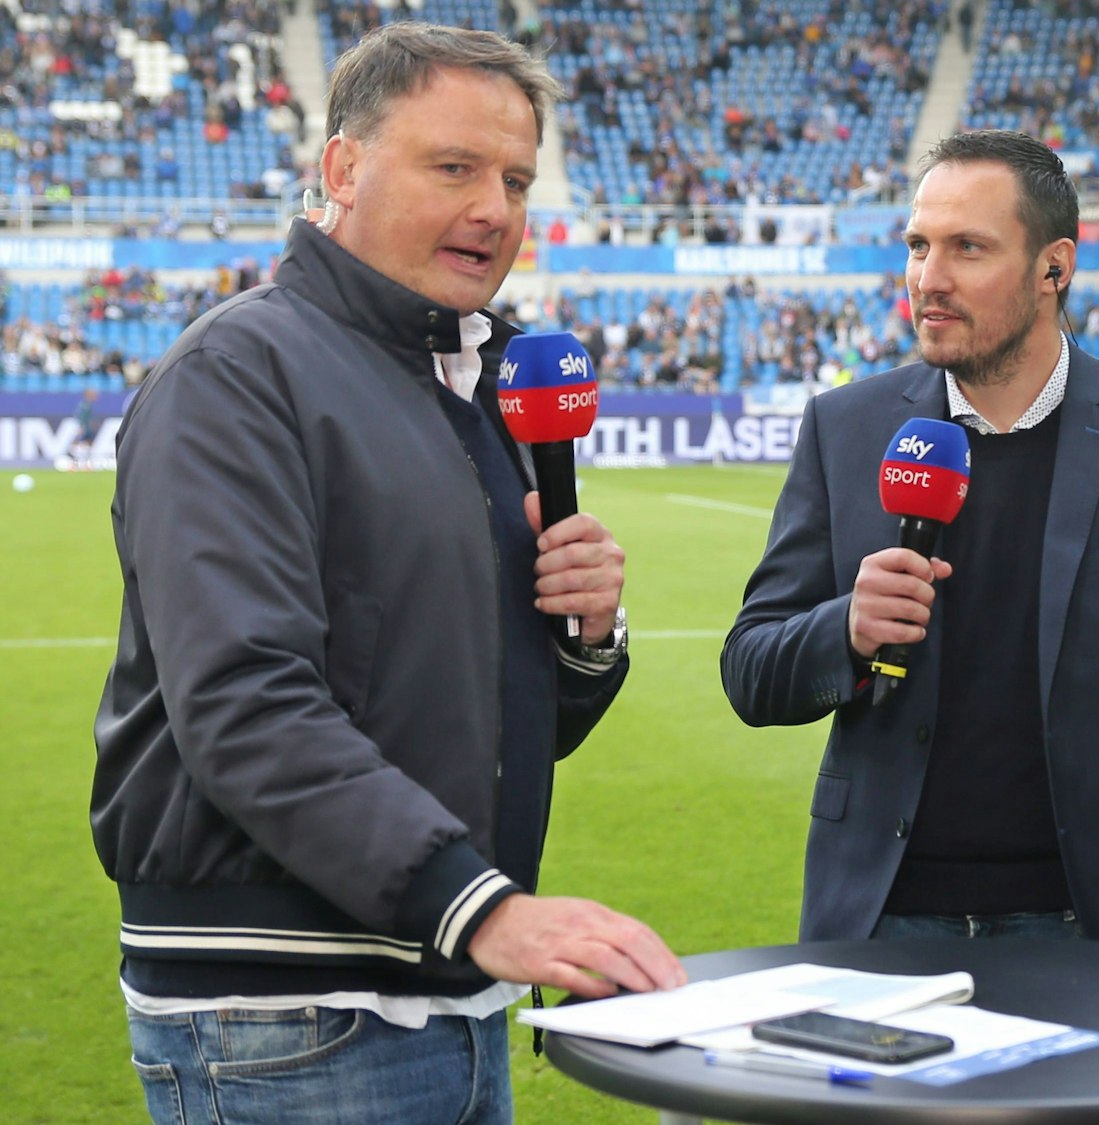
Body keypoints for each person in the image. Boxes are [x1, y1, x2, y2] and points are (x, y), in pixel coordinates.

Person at [92, 25, 684, 1125]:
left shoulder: (477, 381)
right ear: (343, 167)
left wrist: (584, 636)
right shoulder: (235, 374)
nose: (494, 209)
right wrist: (479, 906)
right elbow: (244, 702)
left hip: (443, 985)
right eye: (453, 167)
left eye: (515, 180)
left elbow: (488, 721)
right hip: (286, 1016)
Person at [721, 129, 1099, 955]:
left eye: (968, 248)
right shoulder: (846, 429)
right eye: (918, 245)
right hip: (881, 927)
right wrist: (846, 628)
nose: (928, 277)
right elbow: (750, 669)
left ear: (1054, 268)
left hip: (1096, 932)